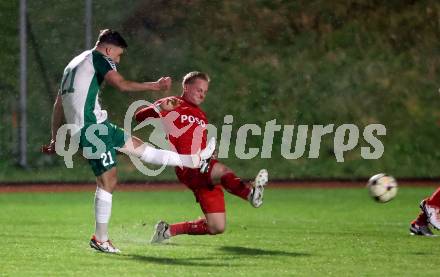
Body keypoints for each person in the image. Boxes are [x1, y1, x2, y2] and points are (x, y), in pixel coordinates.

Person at [41, 30, 215, 253]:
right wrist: (155, 86)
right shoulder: (99, 58)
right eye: (118, 55)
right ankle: (101, 239)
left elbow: (58, 103)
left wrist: (55, 137)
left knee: (142, 150)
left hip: (98, 125)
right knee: (108, 180)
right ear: (108, 49)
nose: (118, 60)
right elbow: (121, 85)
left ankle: (193, 160)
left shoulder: (74, 63)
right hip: (90, 130)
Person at [134, 71, 268, 243]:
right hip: (187, 166)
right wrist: (160, 108)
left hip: (204, 165)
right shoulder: (174, 103)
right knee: (221, 170)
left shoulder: (201, 115)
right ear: (186, 87)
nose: (202, 94)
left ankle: (167, 231)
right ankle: (249, 192)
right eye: (198, 89)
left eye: (205, 91)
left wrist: (209, 151)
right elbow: (139, 117)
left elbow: (196, 139)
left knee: (216, 227)